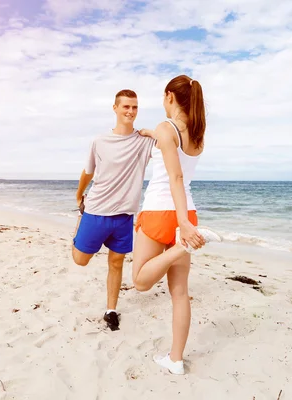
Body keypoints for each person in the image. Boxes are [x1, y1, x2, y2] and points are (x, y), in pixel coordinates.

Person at [132, 75, 222, 375]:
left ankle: (179, 248)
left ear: (170, 96)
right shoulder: (197, 135)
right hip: (189, 212)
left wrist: (181, 225)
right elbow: (178, 160)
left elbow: (175, 177)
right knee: (180, 292)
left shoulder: (166, 128)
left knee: (141, 281)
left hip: (162, 212)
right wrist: (186, 220)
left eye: (162, 96)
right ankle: (175, 359)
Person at [72, 89, 155, 331]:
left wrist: (148, 131)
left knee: (116, 263)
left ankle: (111, 310)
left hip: (124, 216)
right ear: (115, 108)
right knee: (80, 261)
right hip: (96, 210)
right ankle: (78, 224)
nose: (131, 111)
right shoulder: (100, 141)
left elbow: (168, 137)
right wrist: (79, 195)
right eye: (126, 106)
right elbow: (88, 171)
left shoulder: (144, 141)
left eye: (135, 107)